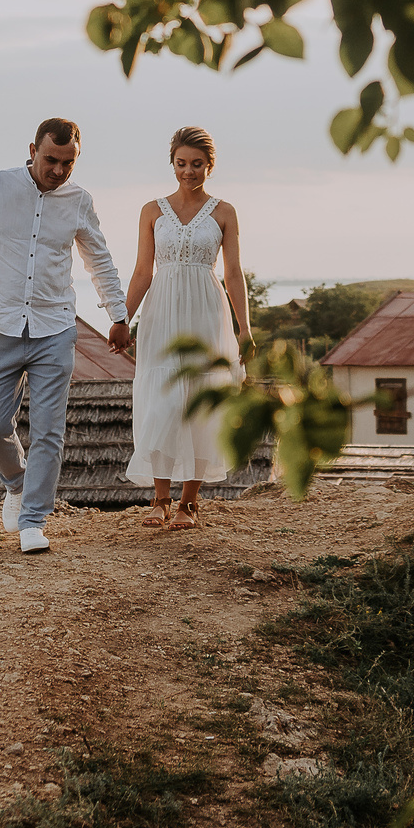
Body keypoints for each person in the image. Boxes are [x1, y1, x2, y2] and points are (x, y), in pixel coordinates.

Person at [0, 117, 131, 555]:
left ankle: (33, 520)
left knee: (48, 431)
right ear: (32, 149)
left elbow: (98, 259)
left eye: (68, 163)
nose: (59, 171)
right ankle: (17, 483)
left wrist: (117, 314)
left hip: (55, 327)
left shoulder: (80, 200)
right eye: (51, 160)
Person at [122, 125, 250, 530]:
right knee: (161, 398)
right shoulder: (152, 210)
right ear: (172, 163)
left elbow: (233, 273)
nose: (188, 171)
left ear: (210, 166)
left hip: (205, 311)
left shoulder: (225, 211)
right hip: (161, 310)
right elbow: (143, 270)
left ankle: (188, 504)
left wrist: (244, 328)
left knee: (200, 398)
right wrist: (122, 319)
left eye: (197, 164)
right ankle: (160, 499)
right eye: (181, 163)